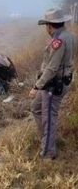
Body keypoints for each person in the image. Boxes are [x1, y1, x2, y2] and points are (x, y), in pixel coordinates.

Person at [29, 8, 77, 160]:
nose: (46, 29)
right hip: (58, 81)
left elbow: (52, 68)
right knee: (36, 108)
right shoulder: (70, 36)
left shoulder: (59, 41)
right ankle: (46, 139)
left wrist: (37, 86)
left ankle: (48, 154)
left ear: (50, 26)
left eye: (46, 25)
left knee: (48, 118)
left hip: (53, 84)